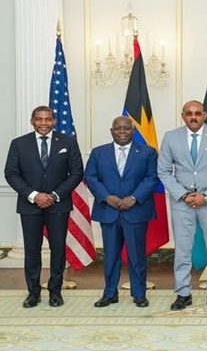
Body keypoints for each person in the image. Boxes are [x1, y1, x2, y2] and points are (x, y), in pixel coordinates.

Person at [4, 105, 84, 308]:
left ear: (54, 121)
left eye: (48, 119)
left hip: (59, 205)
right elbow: (11, 173)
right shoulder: (19, 143)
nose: (43, 123)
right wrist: (34, 195)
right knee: (32, 250)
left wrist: (54, 195)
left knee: (58, 249)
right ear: (32, 121)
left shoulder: (68, 142)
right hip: (30, 206)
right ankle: (33, 292)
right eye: (39, 119)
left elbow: (76, 173)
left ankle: (55, 292)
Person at [157, 100, 207, 311]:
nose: (193, 117)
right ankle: (183, 293)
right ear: (183, 115)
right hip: (182, 203)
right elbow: (163, 171)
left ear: (204, 115)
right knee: (183, 250)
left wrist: (206, 196)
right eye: (189, 113)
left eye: (197, 113)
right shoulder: (171, 137)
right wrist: (183, 195)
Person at [84, 116, 159, 308]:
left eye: (126, 128)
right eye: (118, 128)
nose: (122, 132)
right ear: (112, 131)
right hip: (108, 211)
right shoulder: (98, 152)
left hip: (136, 211)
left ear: (133, 130)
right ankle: (110, 293)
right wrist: (107, 197)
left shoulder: (148, 152)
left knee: (136, 256)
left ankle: (139, 294)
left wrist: (133, 198)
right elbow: (90, 177)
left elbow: (152, 177)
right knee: (110, 255)